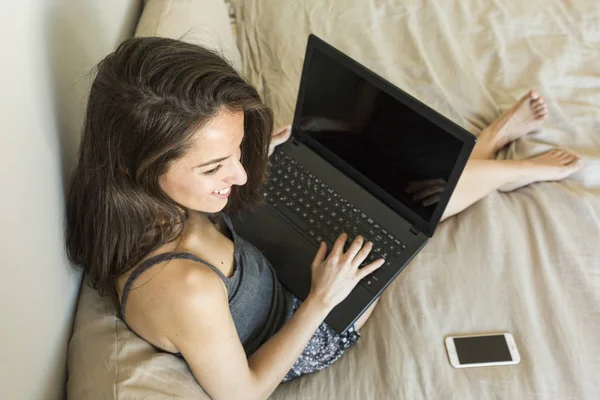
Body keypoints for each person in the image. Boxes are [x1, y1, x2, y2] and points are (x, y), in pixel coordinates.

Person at [66, 37, 582, 399]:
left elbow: (214, 178)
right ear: (138, 162)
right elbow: (245, 393)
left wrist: (245, 152)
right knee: (403, 215)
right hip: (302, 323)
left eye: (235, 151)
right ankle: (500, 161)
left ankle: (483, 151)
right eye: (214, 166)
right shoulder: (182, 289)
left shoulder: (121, 197)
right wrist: (321, 298)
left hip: (264, 262)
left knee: (347, 175)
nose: (241, 176)